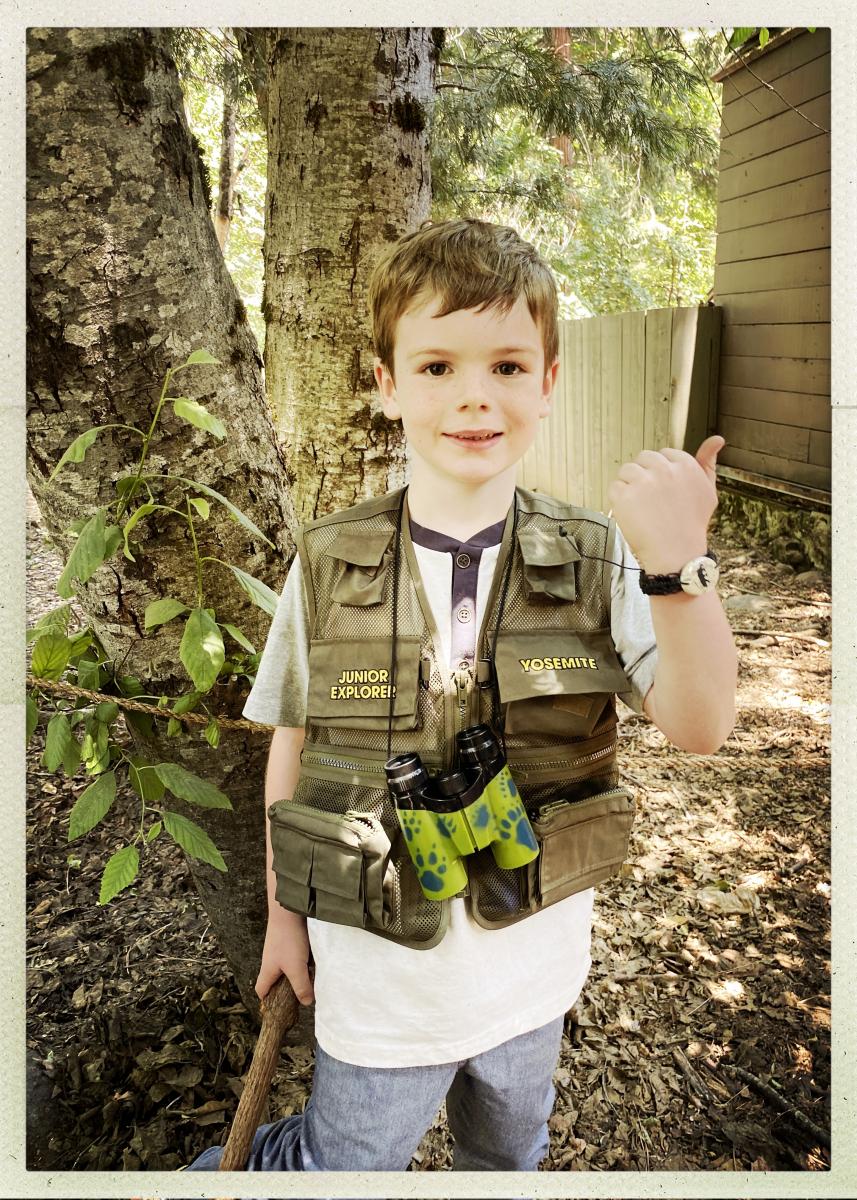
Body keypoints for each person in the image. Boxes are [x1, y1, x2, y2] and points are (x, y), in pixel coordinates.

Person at [185, 218, 737, 1175]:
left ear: (548, 383)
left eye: (508, 367)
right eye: (437, 366)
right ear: (386, 383)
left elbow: (699, 727)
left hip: (532, 978)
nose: (475, 396)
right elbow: (296, 741)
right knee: (343, 1167)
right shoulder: (324, 562)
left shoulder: (606, 558)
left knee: (508, 1160)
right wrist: (283, 914)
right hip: (377, 985)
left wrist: (677, 567)